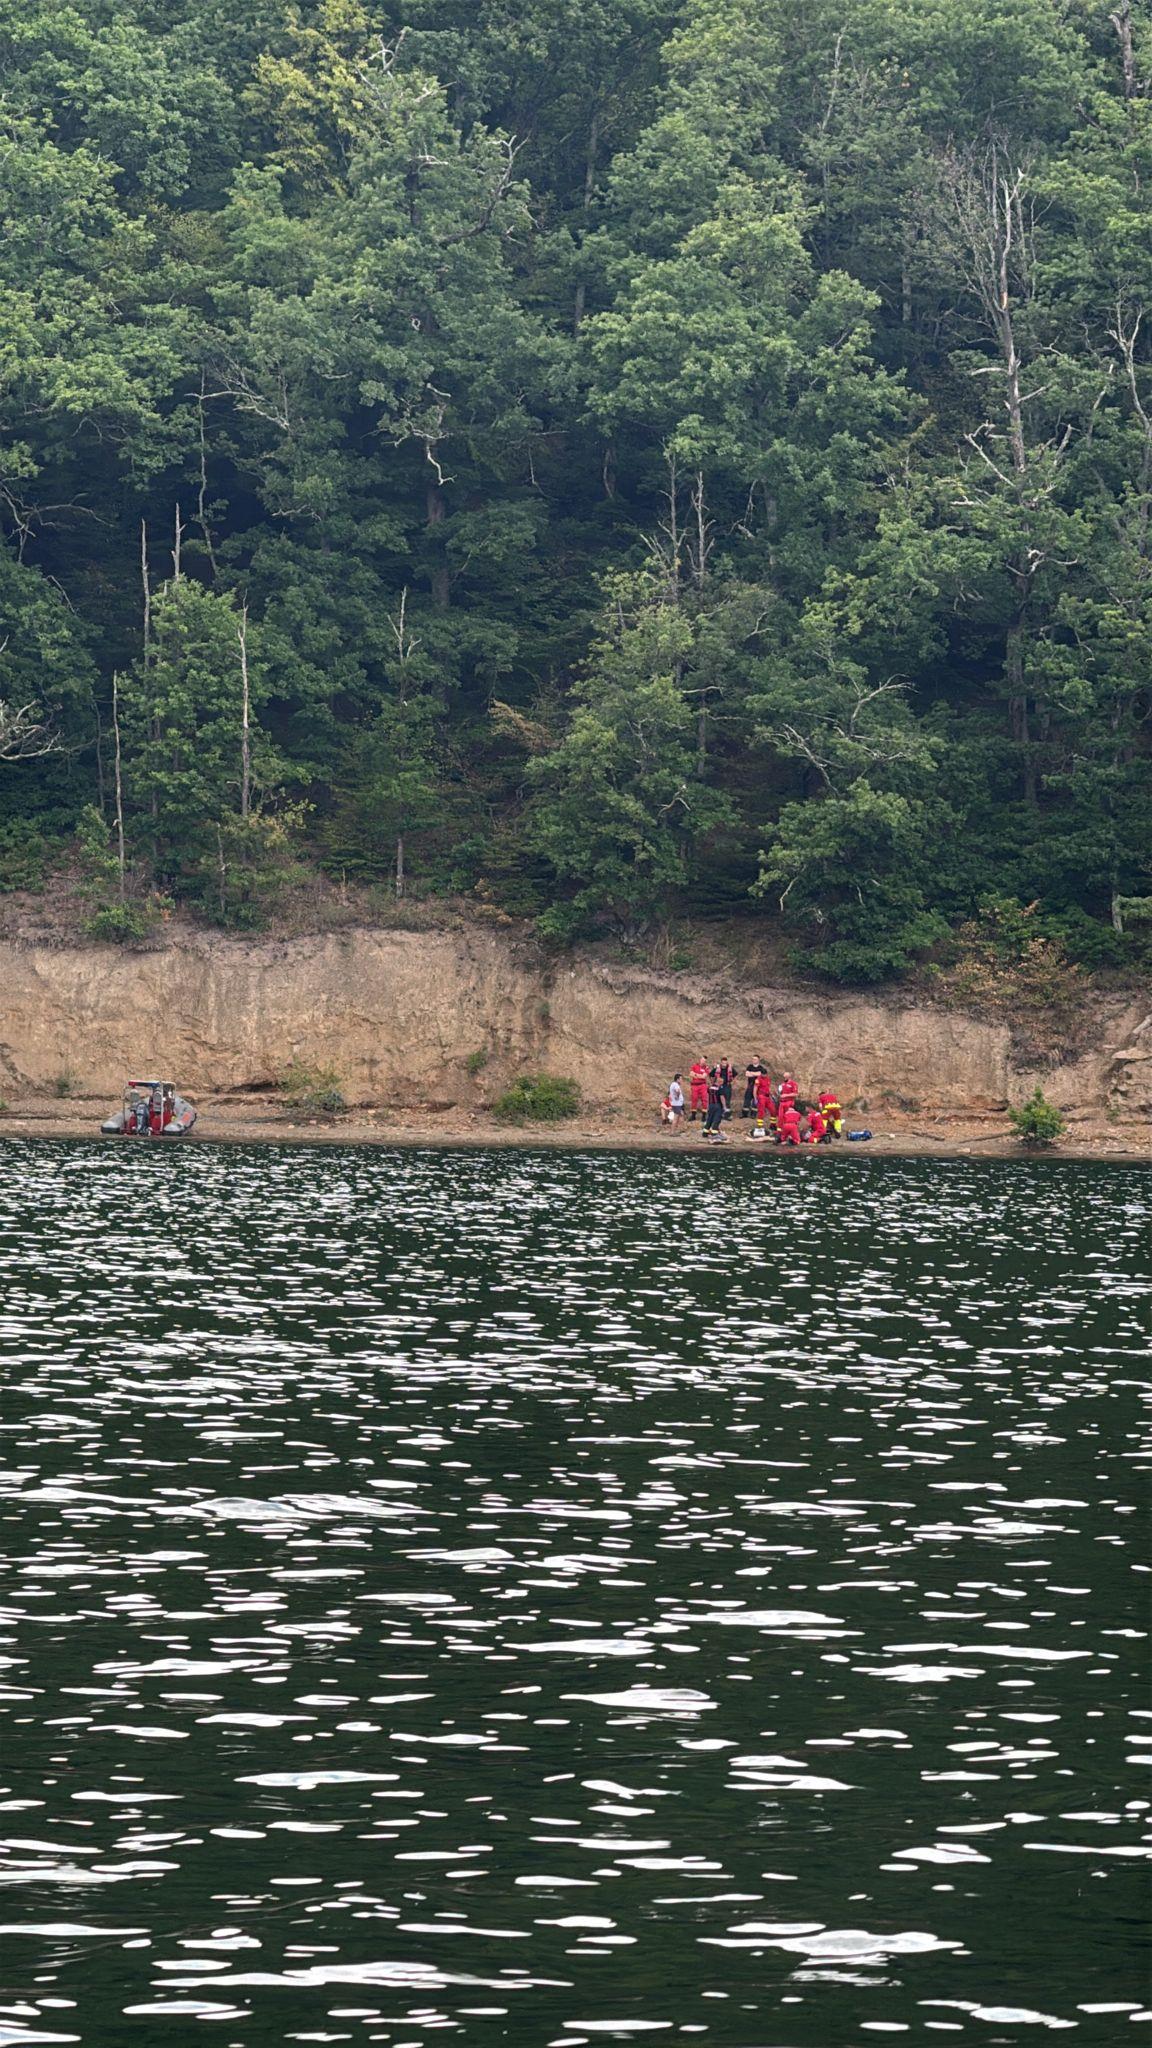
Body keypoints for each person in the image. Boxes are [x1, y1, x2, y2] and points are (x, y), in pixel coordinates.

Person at [703, 1066, 728, 1141]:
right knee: (717, 1120)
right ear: (719, 1082)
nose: (722, 1083)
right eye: (721, 1082)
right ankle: (714, 1134)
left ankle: (705, 1133)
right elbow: (722, 1098)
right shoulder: (720, 1088)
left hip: (711, 1105)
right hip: (717, 1106)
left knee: (709, 1119)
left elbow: (708, 1095)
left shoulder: (710, 1088)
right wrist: (724, 1107)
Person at [689, 1058, 709, 1122]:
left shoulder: (706, 1067)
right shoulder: (694, 1066)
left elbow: (704, 1076)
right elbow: (691, 1074)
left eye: (705, 1061)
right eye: (703, 1060)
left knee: (704, 1100)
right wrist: (699, 1075)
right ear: (700, 1060)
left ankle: (704, 1116)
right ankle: (693, 1115)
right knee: (694, 1099)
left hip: (703, 1085)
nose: (704, 1062)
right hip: (694, 1085)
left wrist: (696, 1075)